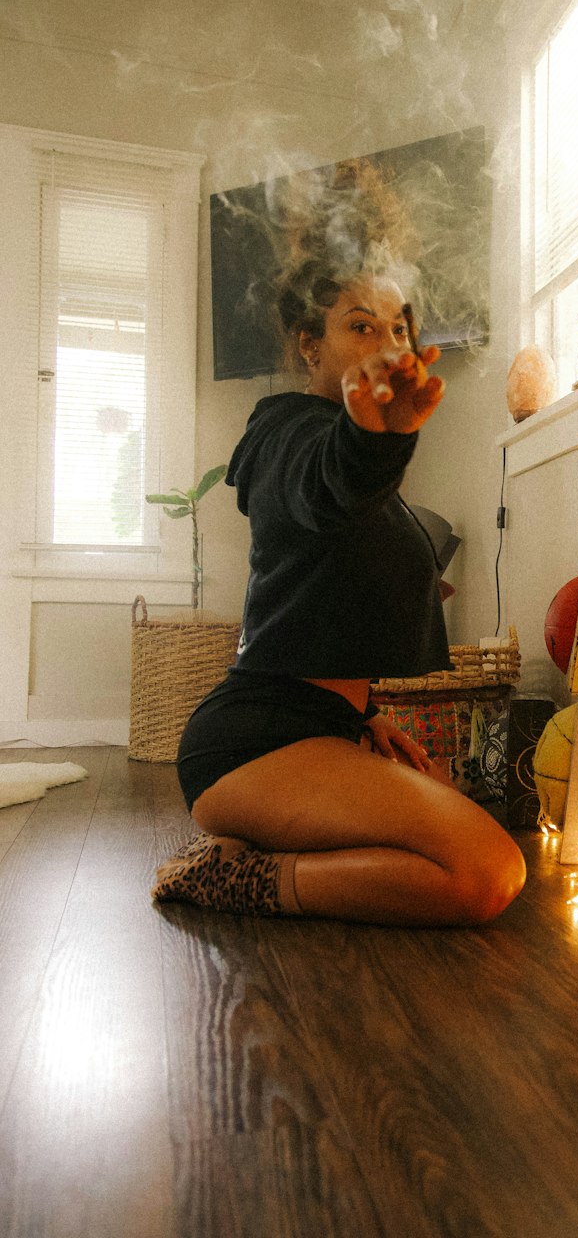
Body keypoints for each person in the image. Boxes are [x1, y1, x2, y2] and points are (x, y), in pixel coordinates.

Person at [154, 204, 525, 925]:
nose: (387, 344)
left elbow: (334, 580)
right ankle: (239, 877)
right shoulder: (283, 431)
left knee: (455, 809)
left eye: (398, 327)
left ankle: (255, 843)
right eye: (361, 326)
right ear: (308, 346)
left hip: (320, 724)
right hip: (253, 741)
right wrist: (367, 435)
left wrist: (364, 717)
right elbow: (325, 488)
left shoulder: (360, 454)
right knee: (488, 871)